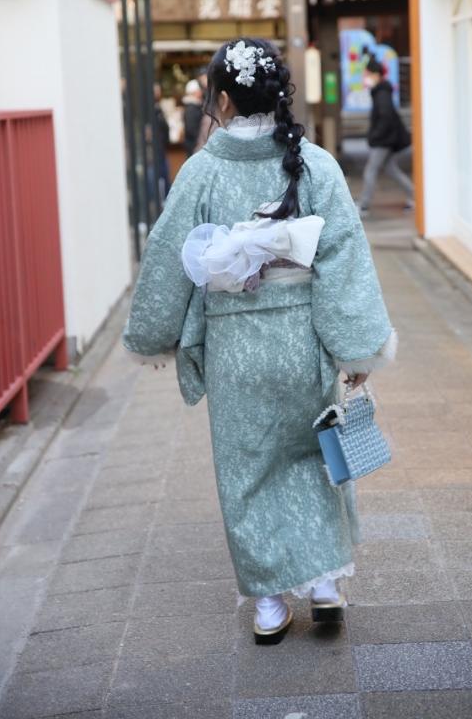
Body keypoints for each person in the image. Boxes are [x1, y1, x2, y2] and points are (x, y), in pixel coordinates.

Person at [122, 38, 396, 645]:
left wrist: (151, 335)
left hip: (234, 348)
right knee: (312, 457)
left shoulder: (201, 171)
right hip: (301, 341)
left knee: (245, 470)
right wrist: (356, 350)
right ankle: (326, 586)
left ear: (220, 99)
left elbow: (169, 258)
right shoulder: (316, 164)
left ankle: (270, 605)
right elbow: (345, 259)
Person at [357, 55, 414, 216]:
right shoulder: (381, 91)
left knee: (370, 171)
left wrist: (375, 136)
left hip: (384, 141)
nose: (365, 77)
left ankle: (364, 206)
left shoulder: (381, 93)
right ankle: (415, 196)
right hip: (386, 139)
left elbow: (386, 117)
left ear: (375, 75)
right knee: (391, 169)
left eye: (367, 74)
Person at [153, 82, 171, 199]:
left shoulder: (158, 108)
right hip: (157, 148)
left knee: (164, 175)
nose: (158, 93)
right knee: (160, 174)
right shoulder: (152, 110)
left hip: (161, 146)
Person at [182, 78, 204, 157]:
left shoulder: (195, 106)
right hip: (194, 147)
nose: (201, 92)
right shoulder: (192, 108)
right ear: (195, 92)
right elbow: (191, 129)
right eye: (199, 90)